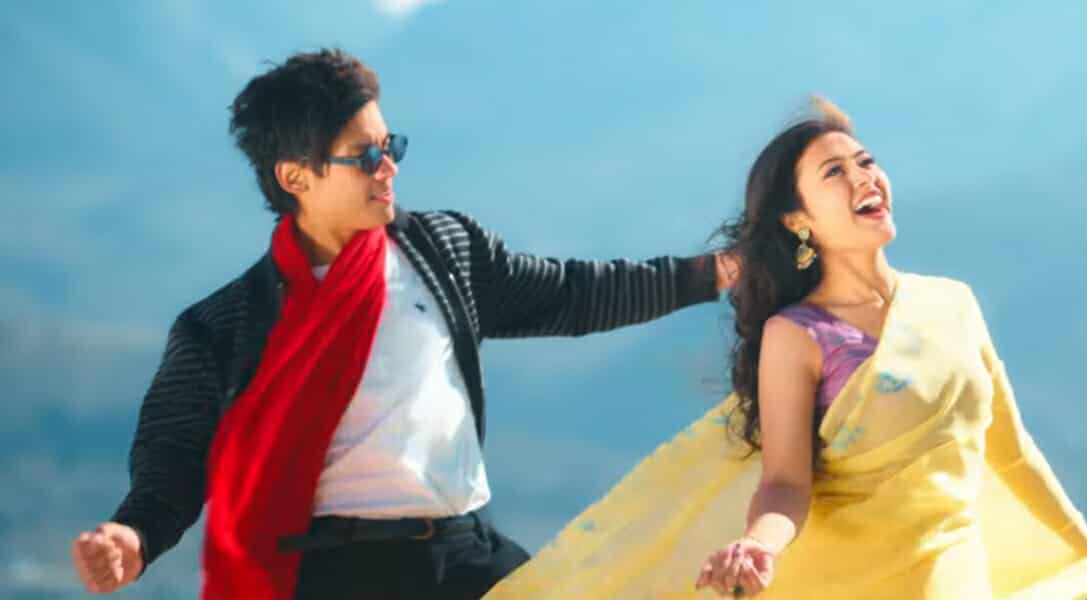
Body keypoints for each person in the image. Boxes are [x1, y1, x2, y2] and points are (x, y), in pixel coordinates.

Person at [69, 48, 735, 599]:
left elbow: (573, 294)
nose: (388, 168)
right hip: (329, 575)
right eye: (364, 156)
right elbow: (173, 464)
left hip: (467, 557)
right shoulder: (222, 326)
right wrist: (134, 536)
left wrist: (718, 273)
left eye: (391, 147)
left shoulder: (445, 250)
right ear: (295, 177)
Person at [482, 99, 1087, 599]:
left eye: (866, 162)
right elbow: (786, 482)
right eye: (834, 172)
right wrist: (758, 547)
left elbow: (1009, 453)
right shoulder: (797, 335)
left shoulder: (952, 303)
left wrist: (1085, 557)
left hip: (953, 576)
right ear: (798, 220)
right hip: (850, 581)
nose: (864, 179)